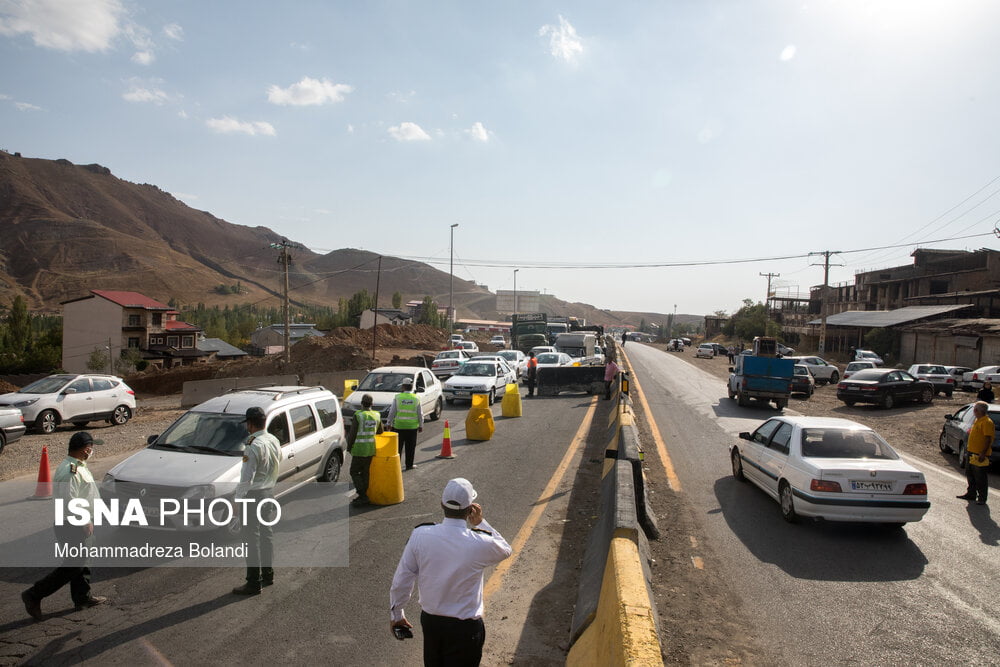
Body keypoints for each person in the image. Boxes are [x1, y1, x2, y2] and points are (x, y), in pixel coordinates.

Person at [389, 478, 512, 666]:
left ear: (442, 504)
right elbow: (505, 549)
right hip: (466, 629)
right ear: (470, 508)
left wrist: (397, 615)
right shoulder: (478, 542)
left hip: (431, 624)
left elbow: (402, 580)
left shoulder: (420, 535)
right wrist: (480, 523)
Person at [22, 432, 108, 620]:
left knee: (83, 562)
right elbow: (70, 500)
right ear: (86, 449)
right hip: (72, 524)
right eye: (91, 448)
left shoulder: (78, 466)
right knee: (73, 565)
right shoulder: (70, 470)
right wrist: (83, 521)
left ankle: (82, 598)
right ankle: (34, 594)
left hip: (78, 522)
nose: (92, 451)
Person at [233, 406, 282, 595]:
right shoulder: (273, 439)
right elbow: (279, 460)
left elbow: (246, 477)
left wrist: (238, 500)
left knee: (250, 540)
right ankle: (268, 575)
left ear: (251, 424)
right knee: (266, 535)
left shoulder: (253, 444)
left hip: (253, 497)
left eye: (247, 423)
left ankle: (253, 582)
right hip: (268, 493)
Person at [956, 401, 995, 506]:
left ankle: (982, 498)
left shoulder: (987, 422)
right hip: (971, 452)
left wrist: (983, 453)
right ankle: (971, 493)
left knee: (980, 477)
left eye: (975, 409)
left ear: (978, 410)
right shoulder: (977, 420)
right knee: (970, 474)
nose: (974, 411)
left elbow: (988, 439)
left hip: (979, 454)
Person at [347, 393, 383, 506]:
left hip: (359, 449)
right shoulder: (376, 415)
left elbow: (352, 434)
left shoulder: (359, 415)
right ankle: (364, 495)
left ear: (362, 404)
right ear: (372, 404)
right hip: (370, 449)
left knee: (354, 471)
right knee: (365, 472)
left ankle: (362, 495)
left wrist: (349, 447)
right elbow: (380, 431)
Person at [388, 378, 423, 470]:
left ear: (403, 387)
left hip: (399, 426)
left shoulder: (398, 397)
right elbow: (420, 413)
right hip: (412, 428)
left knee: (398, 448)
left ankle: (397, 465)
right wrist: (421, 425)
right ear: (411, 387)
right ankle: (409, 465)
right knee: (410, 447)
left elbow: (392, 412)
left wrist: (389, 423)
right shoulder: (416, 398)